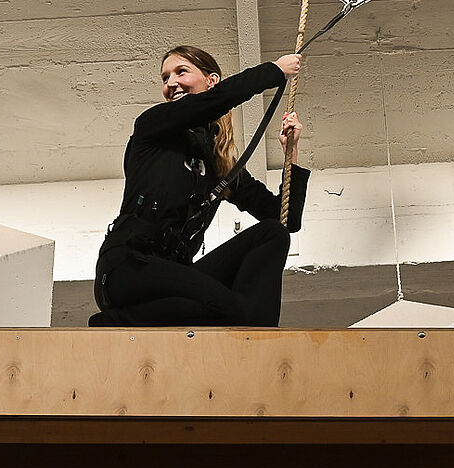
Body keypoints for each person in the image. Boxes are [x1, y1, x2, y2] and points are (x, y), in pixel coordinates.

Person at [89, 45, 308, 327]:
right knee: (230, 307)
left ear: (211, 80)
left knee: (272, 235)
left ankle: (258, 341)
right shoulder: (152, 128)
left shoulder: (219, 166)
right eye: (165, 78)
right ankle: (114, 321)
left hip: (173, 277)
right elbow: (214, 102)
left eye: (181, 72)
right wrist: (274, 71)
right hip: (128, 268)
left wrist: (292, 152)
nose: (171, 83)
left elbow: (286, 220)